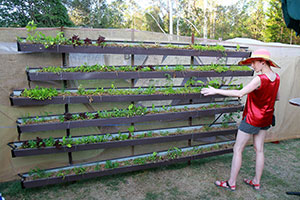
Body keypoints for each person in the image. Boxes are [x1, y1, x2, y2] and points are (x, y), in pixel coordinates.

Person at [201, 49, 280, 191]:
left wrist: (216, 91)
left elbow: (239, 93)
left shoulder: (259, 79)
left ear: (263, 62)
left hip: (252, 118)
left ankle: (231, 182)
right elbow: (277, 97)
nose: (252, 66)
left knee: (237, 149)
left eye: (254, 63)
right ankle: (256, 182)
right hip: (266, 118)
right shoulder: (277, 77)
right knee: (259, 150)